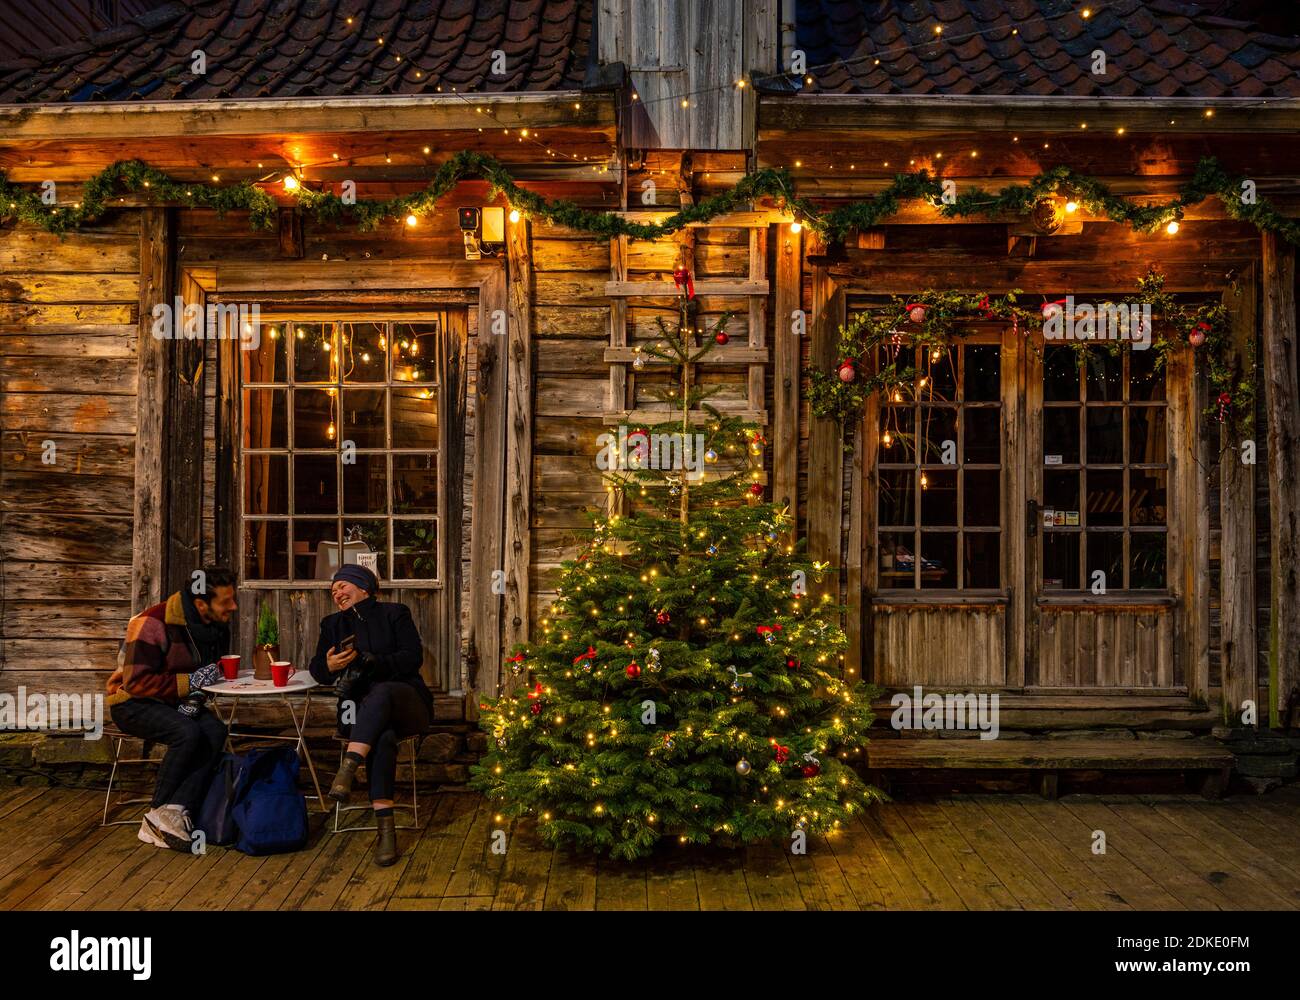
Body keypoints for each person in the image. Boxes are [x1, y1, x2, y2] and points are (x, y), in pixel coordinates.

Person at [310, 563, 432, 866]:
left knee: (383, 692)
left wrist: (373, 663)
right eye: (333, 590)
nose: (337, 593)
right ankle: (386, 833)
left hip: (406, 702)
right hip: (358, 713)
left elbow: (411, 658)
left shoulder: (394, 613)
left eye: (342, 586)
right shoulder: (332, 625)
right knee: (384, 737)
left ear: (364, 586)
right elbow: (316, 671)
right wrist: (330, 667)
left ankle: (349, 767)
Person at [106, 567, 236, 850]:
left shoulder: (214, 625)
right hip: (132, 703)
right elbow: (136, 682)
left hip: (177, 702)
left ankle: (176, 810)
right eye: (226, 602)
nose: (233, 607)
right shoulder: (153, 622)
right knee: (187, 733)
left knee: (214, 730)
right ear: (201, 603)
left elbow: (207, 674)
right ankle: (155, 817)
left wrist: (195, 696)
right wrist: (189, 683)